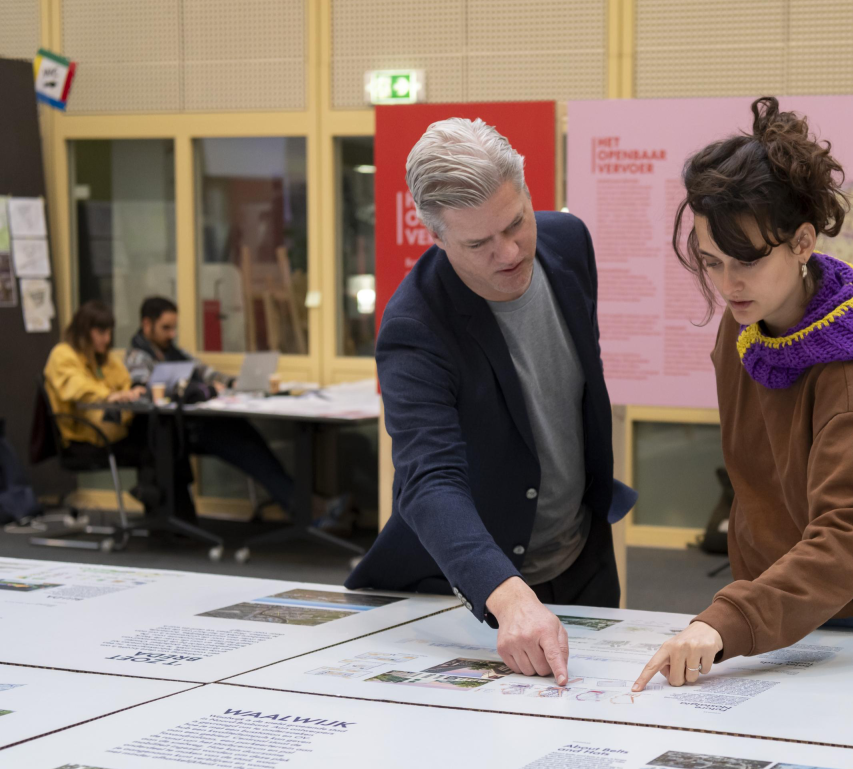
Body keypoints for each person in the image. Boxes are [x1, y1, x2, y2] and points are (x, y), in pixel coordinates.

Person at [632, 97, 853, 693]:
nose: (728, 284)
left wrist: (732, 620)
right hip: (788, 602)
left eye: (747, 262)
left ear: (803, 241)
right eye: (711, 263)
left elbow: (849, 531)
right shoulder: (746, 318)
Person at [346, 117, 635, 686]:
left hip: (582, 560)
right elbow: (428, 481)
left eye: (515, 222)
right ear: (437, 236)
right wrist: (507, 597)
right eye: (479, 243)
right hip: (470, 592)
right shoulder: (415, 326)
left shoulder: (568, 243)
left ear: (528, 194)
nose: (508, 252)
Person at [123, 295, 347, 526]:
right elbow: (145, 389)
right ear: (147, 325)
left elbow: (205, 372)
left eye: (174, 328)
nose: (172, 334)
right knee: (242, 445)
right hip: (172, 432)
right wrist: (202, 389)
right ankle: (305, 508)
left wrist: (231, 383)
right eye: (165, 328)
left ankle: (302, 504)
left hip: (198, 422)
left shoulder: (173, 351)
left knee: (247, 434)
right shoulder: (137, 356)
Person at [44, 300, 148, 464]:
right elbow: (79, 388)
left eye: (109, 333)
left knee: (163, 435)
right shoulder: (62, 354)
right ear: (83, 331)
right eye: (101, 333)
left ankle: (153, 489)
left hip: (111, 427)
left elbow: (123, 381)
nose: (107, 339)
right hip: (83, 435)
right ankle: (151, 489)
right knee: (153, 445)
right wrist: (109, 395)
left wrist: (133, 392)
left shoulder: (102, 357)